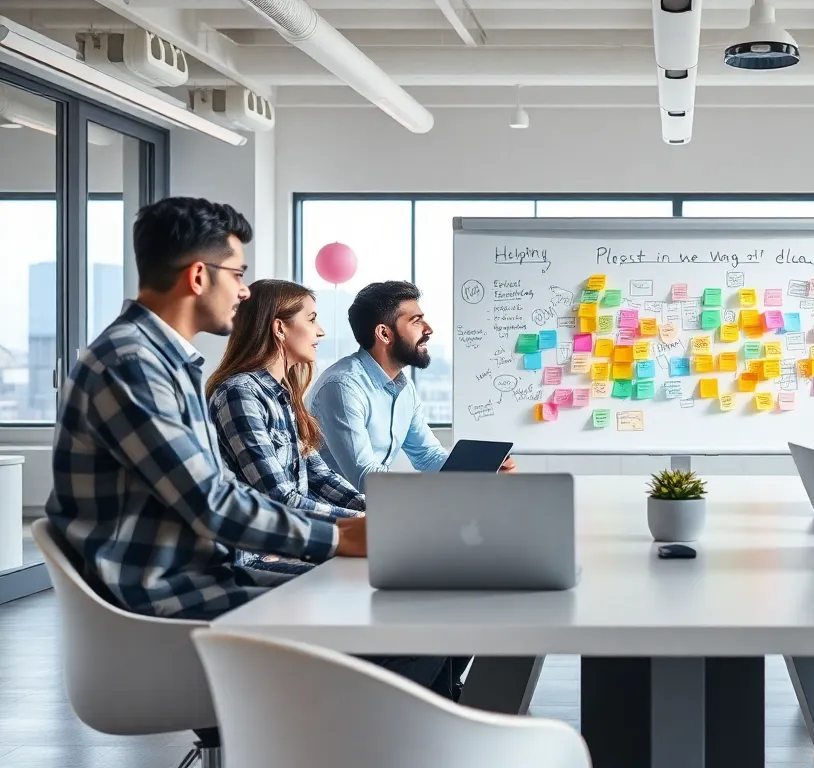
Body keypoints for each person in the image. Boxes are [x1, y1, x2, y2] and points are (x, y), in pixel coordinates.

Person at [44, 197, 459, 703]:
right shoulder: (132, 365)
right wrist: (340, 538)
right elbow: (214, 504)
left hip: (203, 580)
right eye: (237, 273)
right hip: (167, 607)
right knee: (416, 625)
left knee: (414, 610)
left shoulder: (165, 363)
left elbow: (274, 486)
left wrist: (372, 521)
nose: (243, 291)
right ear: (199, 276)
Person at [206, 279, 365, 575]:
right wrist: (360, 523)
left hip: (287, 548)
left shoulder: (283, 396)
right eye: (312, 319)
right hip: (253, 558)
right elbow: (279, 497)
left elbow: (319, 477)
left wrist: (374, 510)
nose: (321, 331)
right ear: (280, 328)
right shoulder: (240, 393)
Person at [309, 280, 513, 490]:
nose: (429, 329)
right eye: (416, 321)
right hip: (332, 513)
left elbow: (428, 456)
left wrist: (483, 471)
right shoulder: (342, 387)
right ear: (385, 334)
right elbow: (365, 477)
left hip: (372, 507)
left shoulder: (404, 388)